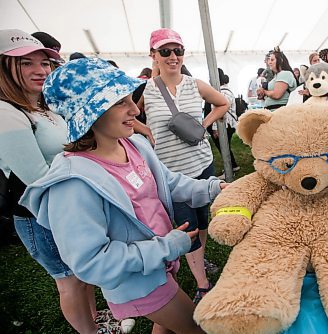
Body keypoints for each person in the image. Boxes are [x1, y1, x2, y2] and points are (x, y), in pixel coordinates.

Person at [21, 57, 227, 333]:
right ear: (90, 112)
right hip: (138, 284)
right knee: (198, 328)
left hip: (160, 266)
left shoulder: (133, 145)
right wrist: (167, 247)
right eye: (120, 102)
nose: (134, 109)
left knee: (164, 326)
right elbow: (91, 262)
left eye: (130, 98)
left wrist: (213, 188)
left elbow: (168, 182)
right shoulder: (72, 184)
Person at [0, 29, 116, 334]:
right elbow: (37, 178)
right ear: (4, 67)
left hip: (66, 207)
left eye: (45, 63)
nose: (40, 70)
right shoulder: (5, 112)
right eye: (26, 63)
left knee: (83, 272)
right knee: (69, 280)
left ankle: (96, 319)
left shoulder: (40, 106)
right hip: (40, 214)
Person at [143, 28, 229, 303]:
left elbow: (222, 103)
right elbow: (128, 114)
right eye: (165, 51)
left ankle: (199, 263)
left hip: (202, 164)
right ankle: (203, 284)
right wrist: (146, 131)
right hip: (171, 173)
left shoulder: (196, 84)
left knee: (202, 220)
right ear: (153, 55)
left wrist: (202, 126)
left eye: (177, 50)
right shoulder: (147, 89)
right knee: (188, 226)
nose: (172, 56)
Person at [207, 68, 239, 177]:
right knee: (225, 147)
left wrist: (215, 128)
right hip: (226, 124)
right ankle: (233, 167)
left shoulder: (223, 92)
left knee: (224, 147)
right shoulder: (224, 90)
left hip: (225, 125)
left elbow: (220, 111)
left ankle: (230, 171)